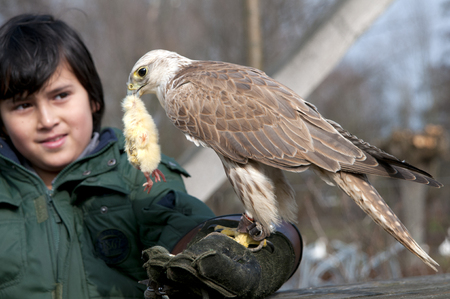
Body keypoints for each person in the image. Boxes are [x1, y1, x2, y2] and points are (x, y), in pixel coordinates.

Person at [0, 14, 301, 299]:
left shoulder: (140, 171)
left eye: (60, 95)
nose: (47, 119)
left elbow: (185, 225)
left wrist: (258, 250)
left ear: (92, 98)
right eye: (23, 105)